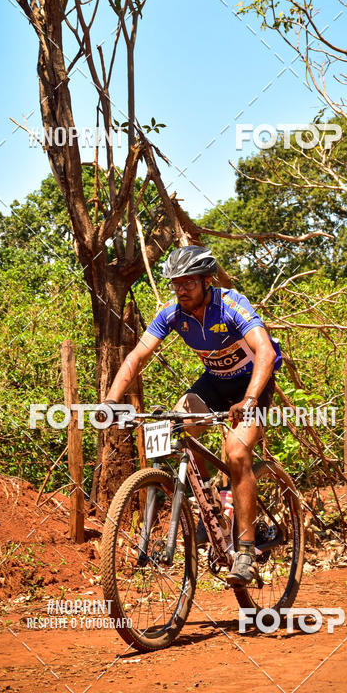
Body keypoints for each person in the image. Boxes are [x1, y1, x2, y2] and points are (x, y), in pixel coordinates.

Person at [103, 245, 281, 587]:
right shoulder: (171, 314)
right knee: (178, 424)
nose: (181, 289)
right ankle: (211, 504)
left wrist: (250, 399)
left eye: (189, 283)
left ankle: (245, 551)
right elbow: (137, 356)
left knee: (238, 452)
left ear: (207, 281)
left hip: (253, 383)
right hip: (215, 382)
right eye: (175, 283)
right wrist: (111, 400)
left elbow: (265, 351)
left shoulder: (229, 305)